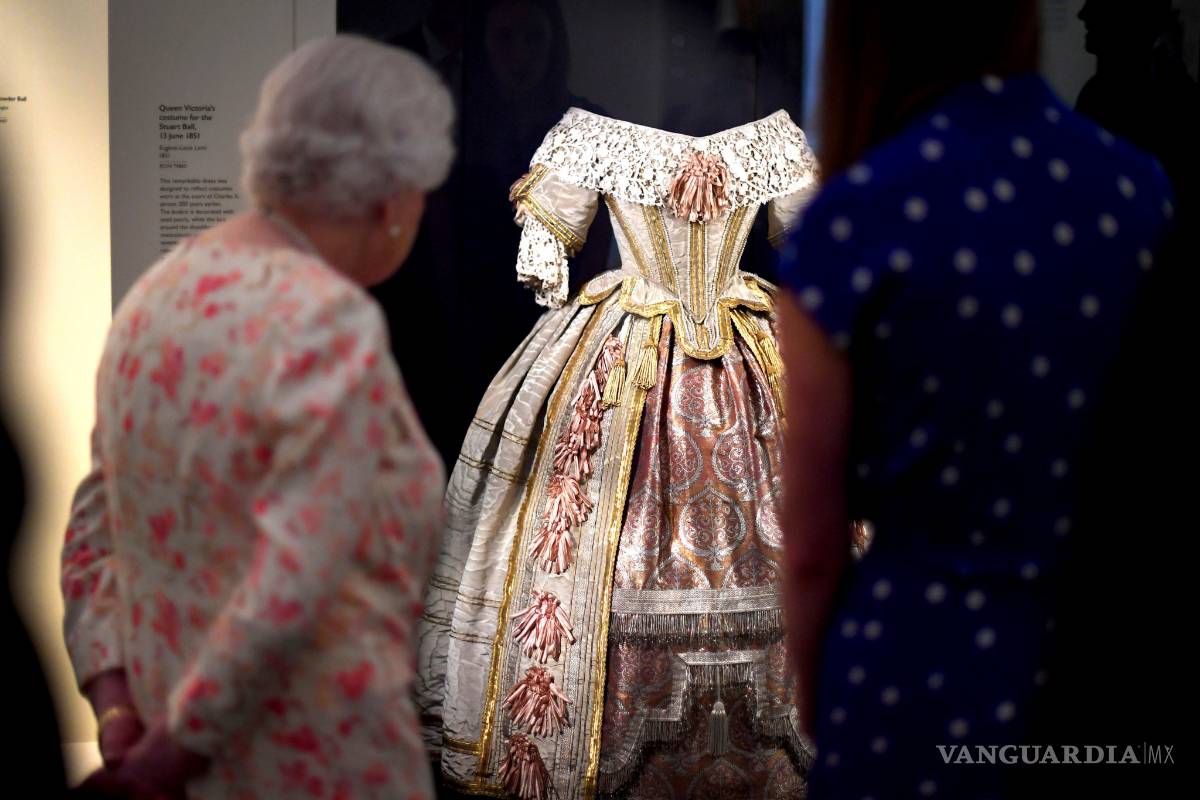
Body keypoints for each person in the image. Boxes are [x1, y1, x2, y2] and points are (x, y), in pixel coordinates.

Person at [776, 0, 1177, 796]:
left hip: (913, 672)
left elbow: (814, 547)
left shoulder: (855, 219)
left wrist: (823, 697)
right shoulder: (1138, 191)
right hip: (1104, 666)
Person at [61, 35, 453, 799]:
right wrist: (176, 752)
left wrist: (119, 718)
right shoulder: (327, 320)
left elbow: (90, 537)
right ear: (392, 198)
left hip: (166, 753)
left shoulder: (159, 291)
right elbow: (294, 580)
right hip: (315, 765)